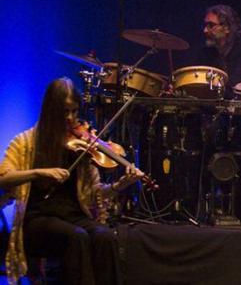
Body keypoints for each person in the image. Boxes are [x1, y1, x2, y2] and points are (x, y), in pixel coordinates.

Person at [0, 77, 143, 285]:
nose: (70, 118)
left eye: (74, 111)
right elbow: (4, 178)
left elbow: (96, 193)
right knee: (77, 237)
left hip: (74, 216)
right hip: (38, 220)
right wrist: (39, 172)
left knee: (105, 236)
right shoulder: (26, 142)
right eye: (64, 112)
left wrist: (118, 186)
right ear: (51, 111)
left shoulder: (81, 145)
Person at [199, 4, 241, 90]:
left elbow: (237, 85)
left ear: (227, 28)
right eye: (205, 25)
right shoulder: (210, 51)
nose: (205, 30)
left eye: (211, 25)